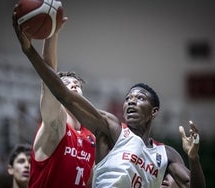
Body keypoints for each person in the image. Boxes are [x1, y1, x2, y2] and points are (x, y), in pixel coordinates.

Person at [12, 9, 206, 188]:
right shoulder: (112, 129)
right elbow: (62, 95)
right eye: (128, 97)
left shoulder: (166, 154)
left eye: (139, 98)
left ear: (154, 111)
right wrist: (30, 50)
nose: (131, 100)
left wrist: (194, 158)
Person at [14, 9, 96, 188]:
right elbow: (49, 81)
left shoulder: (91, 138)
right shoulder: (55, 125)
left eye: (77, 84)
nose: (74, 85)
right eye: (66, 83)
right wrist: (52, 33)